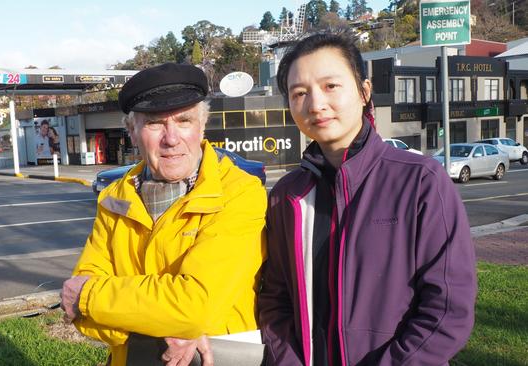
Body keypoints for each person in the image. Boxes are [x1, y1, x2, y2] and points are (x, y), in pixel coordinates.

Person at [258, 32, 477, 365]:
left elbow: (447, 308)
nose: (316, 104)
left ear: (364, 92)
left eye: (331, 86)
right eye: (299, 92)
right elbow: (275, 299)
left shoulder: (420, 181)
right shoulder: (287, 195)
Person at [61, 63, 267, 366]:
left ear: (202, 127)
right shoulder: (115, 198)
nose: (171, 138)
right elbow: (80, 316)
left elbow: (196, 304)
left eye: (184, 121)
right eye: (155, 124)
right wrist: (172, 321)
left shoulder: (239, 193)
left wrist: (92, 298)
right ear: (132, 132)